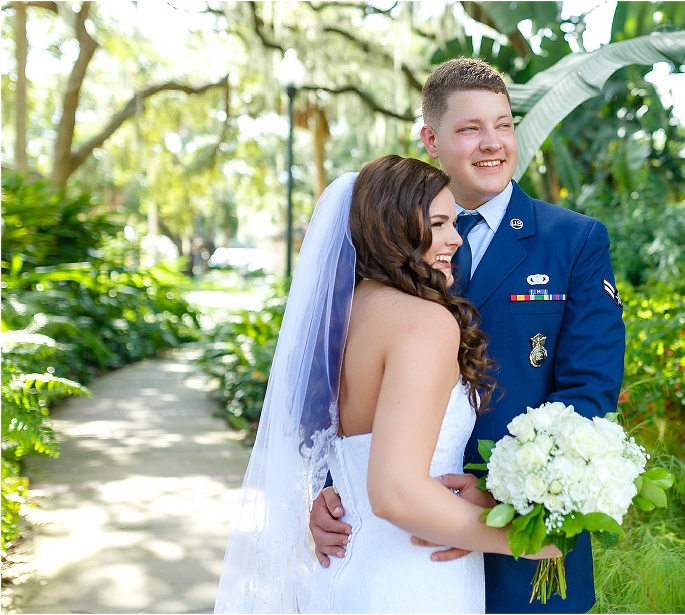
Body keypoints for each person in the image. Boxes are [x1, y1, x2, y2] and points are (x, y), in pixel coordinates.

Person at [309, 59, 626, 614]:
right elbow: (328, 392)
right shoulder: (376, 265)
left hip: (522, 539)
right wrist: (327, 488)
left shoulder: (573, 241)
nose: (494, 144)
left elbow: (589, 395)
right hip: (403, 544)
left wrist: (503, 496)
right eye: (470, 128)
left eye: (504, 124)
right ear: (430, 139)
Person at [214, 154, 560, 614]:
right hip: (413, 581)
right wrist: (526, 539)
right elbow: (396, 490)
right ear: (393, 226)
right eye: (438, 224)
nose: (455, 238)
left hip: (340, 570)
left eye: (453, 222)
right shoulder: (426, 322)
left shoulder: (343, 317)